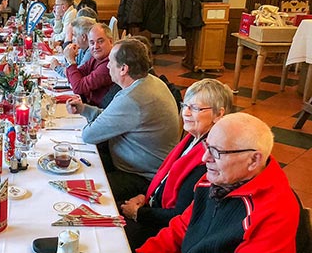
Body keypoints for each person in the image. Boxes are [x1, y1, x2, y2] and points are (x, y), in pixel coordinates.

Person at [137, 113, 300, 253]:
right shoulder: (216, 180)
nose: (204, 158)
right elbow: (180, 230)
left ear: (253, 160)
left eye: (216, 151)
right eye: (206, 147)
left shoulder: (275, 212)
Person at [120, 79, 233, 250]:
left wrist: (138, 213)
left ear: (218, 115)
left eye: (195, 108)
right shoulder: (193, 138)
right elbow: (165, 179)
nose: (185, 113)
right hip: (153, 207)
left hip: (166, 230)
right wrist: (144, 197)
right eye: (185, 105)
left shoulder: (208, 159)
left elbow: (182, 215)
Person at [66, 38, 180, 202]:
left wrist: (89, 118)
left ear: (124, 69)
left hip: (141, 177)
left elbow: (89, 135)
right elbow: (111, 117)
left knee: (79, 188)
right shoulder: (149, 82)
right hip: (138, 165)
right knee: (78, 162)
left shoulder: (133, 98)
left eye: (111, 62)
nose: (107, 66)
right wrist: (84, 109)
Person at [65, 23, 115, 107]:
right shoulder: (96, 57)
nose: (96, 46)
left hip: (98, 112)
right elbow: (72, 75)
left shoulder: (110, 64)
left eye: (100, 41)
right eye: (92, 43)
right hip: (89, 106)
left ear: (110, 41)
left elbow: (78, 88)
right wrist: (71, 66)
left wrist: (70, 61)